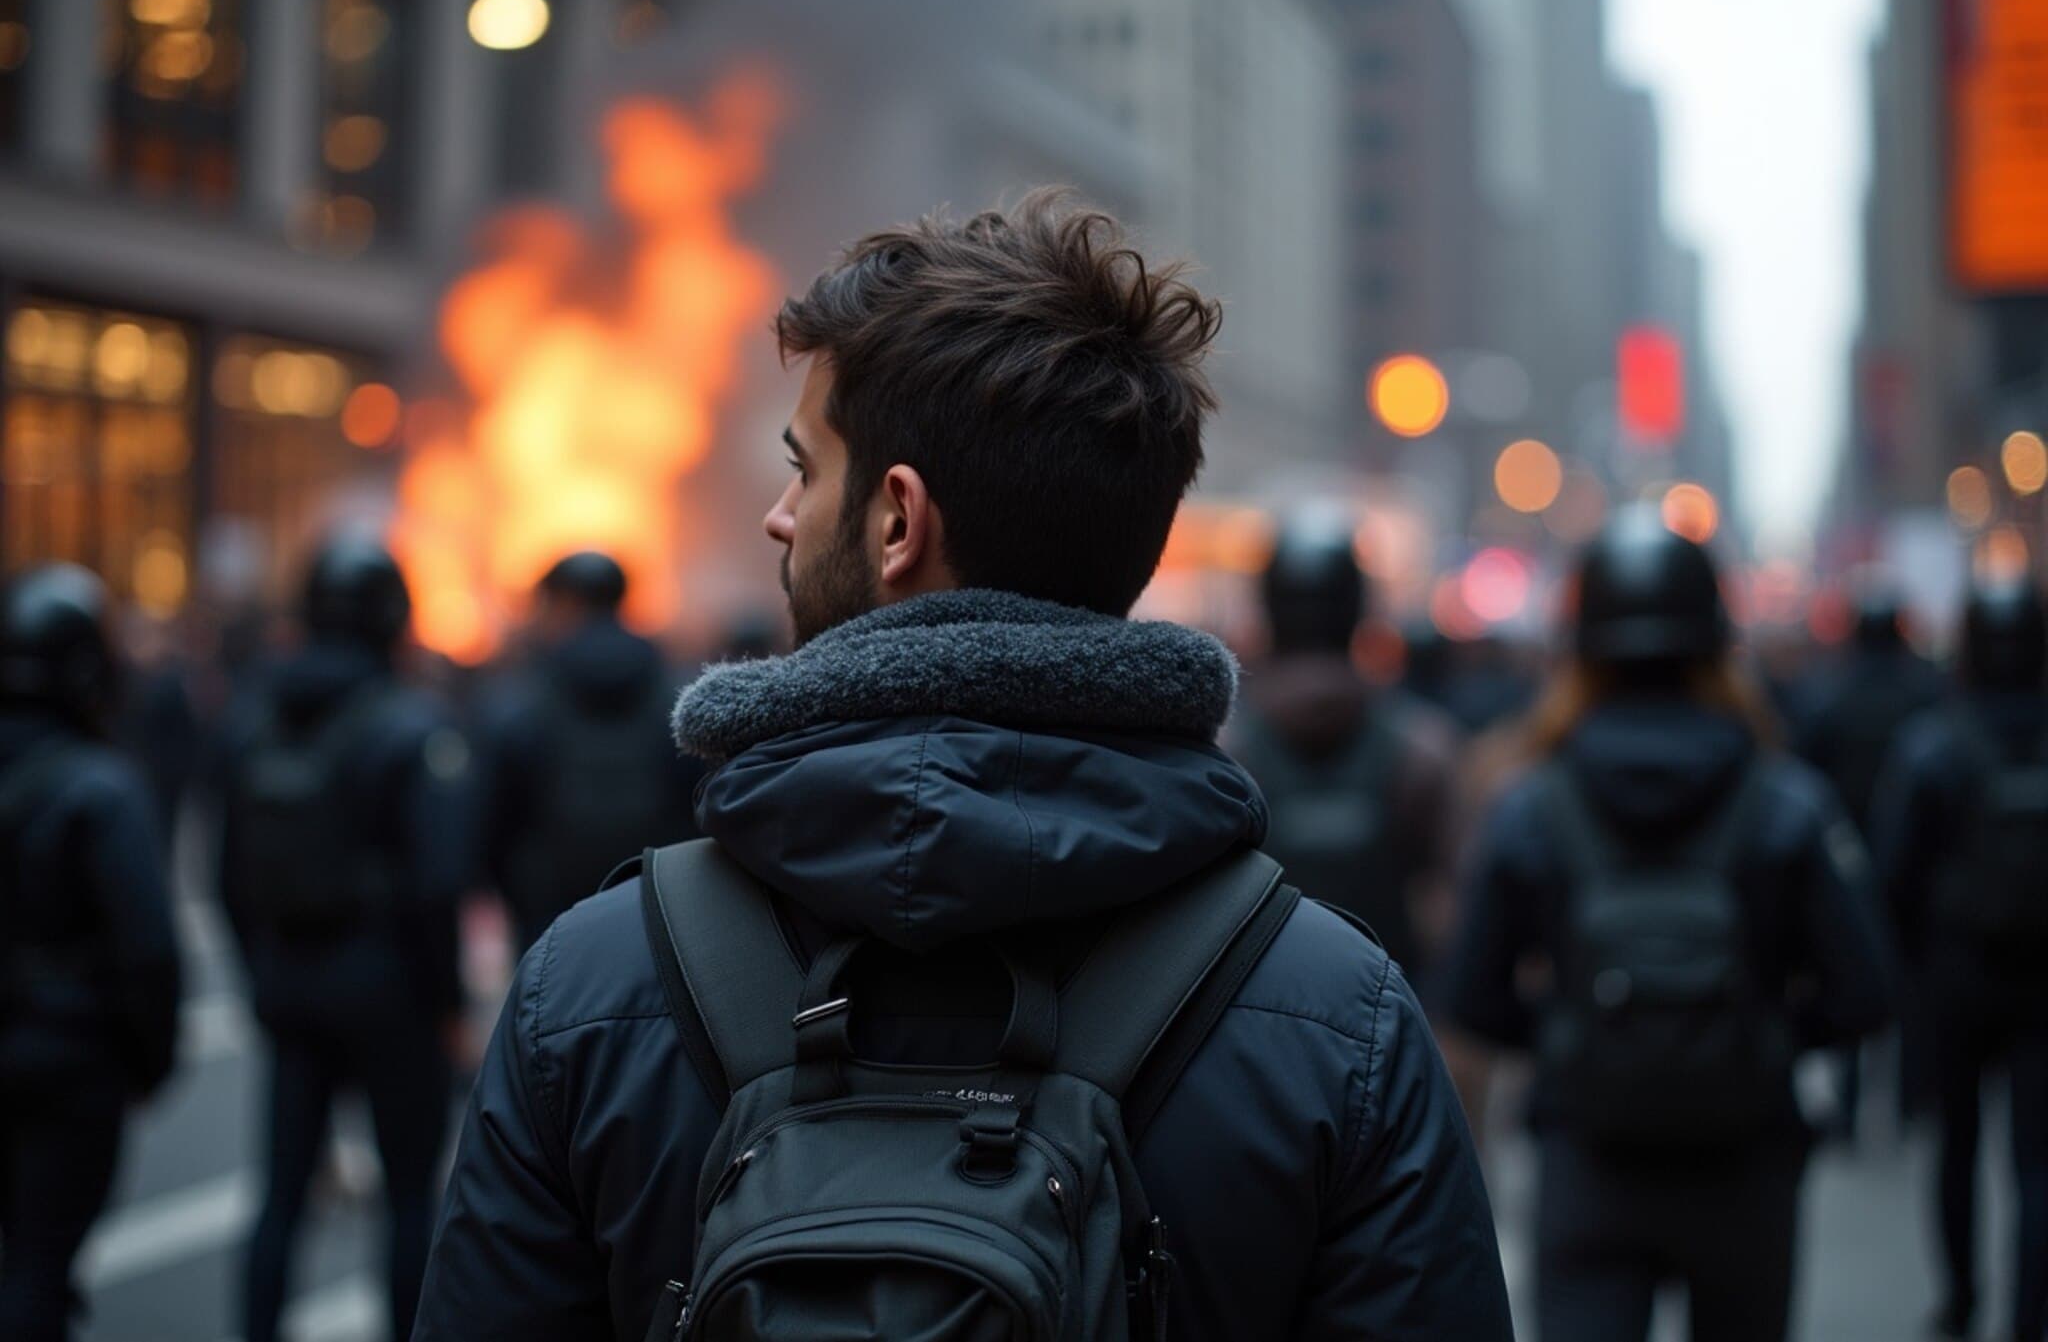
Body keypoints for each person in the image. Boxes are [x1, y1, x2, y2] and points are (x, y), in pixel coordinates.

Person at [415, 190, 1512, 1340]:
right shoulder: (1337, 1020)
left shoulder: (590, 989)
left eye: (805, 469)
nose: (780, 516)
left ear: (897, 521)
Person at [1441, 507, 1892, 1342]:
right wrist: (1761, 1034)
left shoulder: (1531, 807)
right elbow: (1865, 990)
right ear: (1719, 641)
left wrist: (1574, 1032)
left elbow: (1471, 995)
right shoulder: (1786, 802)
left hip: (1588, 1160)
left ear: (1579, 647)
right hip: (1746, 1161)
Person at [215, 536, 470, 1342]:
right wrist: (448, 1003)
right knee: (407, 1199)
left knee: (281, 1194)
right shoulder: (410, 723)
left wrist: (261, 973)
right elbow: (437, 883)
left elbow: (227, 875)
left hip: (291, 983)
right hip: (391, 990)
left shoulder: (254, 718)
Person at [0, 564, 182, 1342]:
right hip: (70, 1063)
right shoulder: (101, 788)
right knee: (40, 1272)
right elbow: (148, 949)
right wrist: (149, 1063)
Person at [1873, 578, 2048, 1342]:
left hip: (1956, 975)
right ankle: (2028, 1315)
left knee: (1957, 1143)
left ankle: (1962, 1297)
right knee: (2039, 1160)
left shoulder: (1935, 743)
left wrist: (1911, 967)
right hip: (2042, 983)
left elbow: (1894, 872)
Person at [1230, 507, 1461, 975]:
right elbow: (1451, 917)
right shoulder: (1421, 747)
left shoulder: (1227, 750)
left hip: (1251, 1008)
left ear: (1268, 607)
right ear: (1358, 608)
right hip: (1386, 1003)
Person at [477, 550, 702, 954]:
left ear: (563, 603)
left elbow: (494, 825)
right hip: (658, 917)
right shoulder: (678, 695)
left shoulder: (521, 700)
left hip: (549, 927)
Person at [1796, 581, 1946, 1139]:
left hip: (1847, 854)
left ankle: (1850, 1104)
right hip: (1916, 861)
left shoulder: (1831, 695)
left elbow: (1806, 774)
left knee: (1849, 970)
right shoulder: (1925, 694)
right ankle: (1912, 1097)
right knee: (1909, 981)